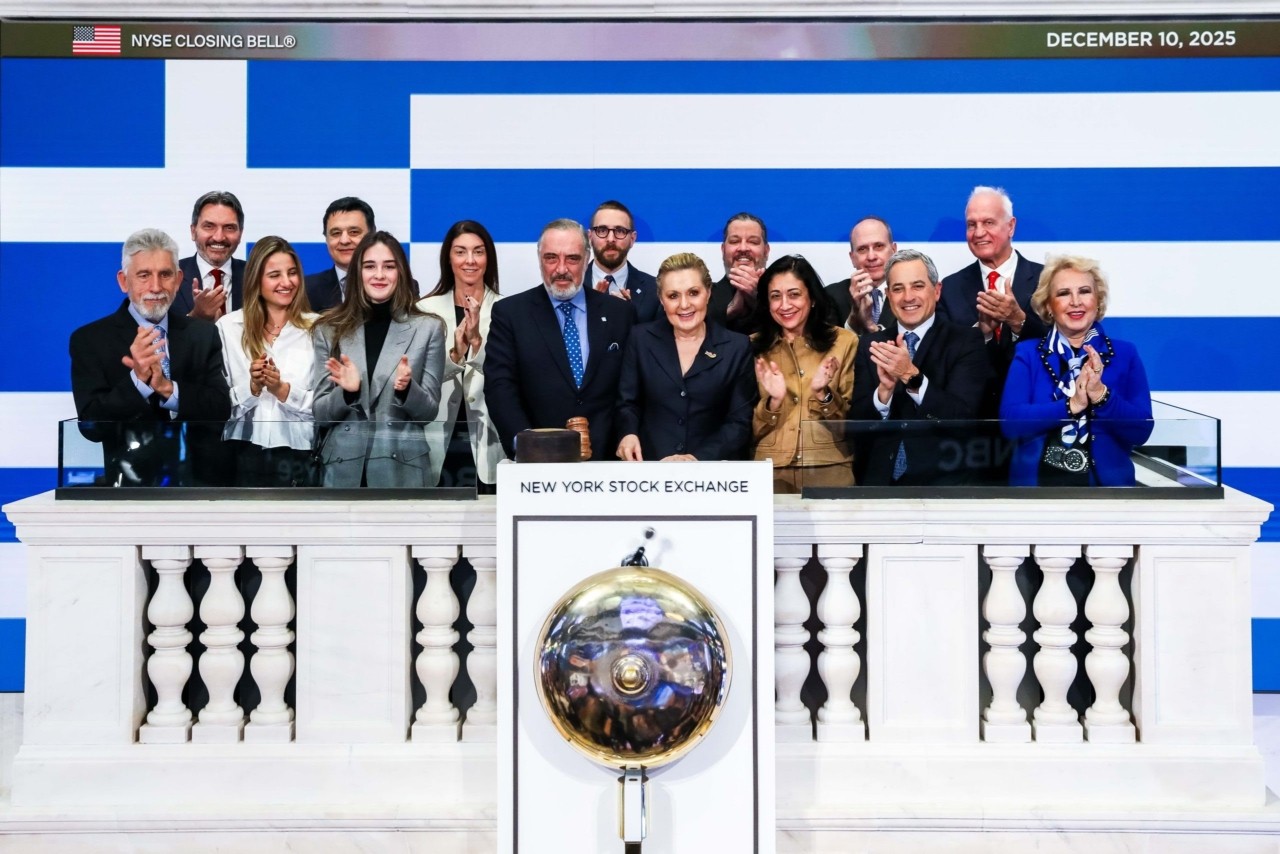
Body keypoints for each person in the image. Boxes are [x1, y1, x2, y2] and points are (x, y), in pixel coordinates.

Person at [70, 228, 231, 486]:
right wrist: (138, 382)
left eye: (165, 274)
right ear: (124, 281)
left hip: (199, 486)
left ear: (178, 280)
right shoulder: (90, 340)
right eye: (144, 275)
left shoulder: (202, 334)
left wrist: (167, 388)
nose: (156, 287)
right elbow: (92, 426)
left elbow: (220, 408)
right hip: (128, 488)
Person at [487, 219, 636, 461]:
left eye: (572, 259)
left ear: (587, 259)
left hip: (609, 461)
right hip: (537, 462)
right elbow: (500, 388)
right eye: (551, 258)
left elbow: (631, 389)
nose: (561, 268)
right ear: (539, 260)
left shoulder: (620, 313)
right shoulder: (510, 314)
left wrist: (628, 435)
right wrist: (525, 444)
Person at [1001, 256, 1153, 486]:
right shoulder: (1028, 353)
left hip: (1108, 493)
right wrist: (1070, 406)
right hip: (1036, 492)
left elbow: (1141, 431)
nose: (1075, 301)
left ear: (1098, 301)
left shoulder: (1125, 354)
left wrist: (1102, 396)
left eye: (1084, 291)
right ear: (1049, 306)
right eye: (1063, 293)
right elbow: (1010, 424)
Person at [311, 232, 446, 487]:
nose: (379, 275)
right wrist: (347, 393)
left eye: (389, 266)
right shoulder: (328, 328)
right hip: (341, 471)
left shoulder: (428, 328)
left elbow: (428, 413)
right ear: (357, 273)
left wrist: (407, 389)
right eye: (370, 266)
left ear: (401, 272)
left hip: (401, 470)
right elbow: (320, 414)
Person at [850, 249, 991, 486]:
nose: (908, 297)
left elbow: (963, 418)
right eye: (898, 289)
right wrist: (883, 395)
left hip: (944, 484)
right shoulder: (871, 345)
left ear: (937, 291)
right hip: (880, 485)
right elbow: (856, 425)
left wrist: (910, 375)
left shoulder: (966, 341)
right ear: (888, 295)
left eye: (917, 286)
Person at [616, 253, 755, 462]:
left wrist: (696, 459)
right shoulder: (640, 339)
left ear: (708, 293)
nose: (684, 305)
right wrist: (628, 433)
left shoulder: (737, 347)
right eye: (673, 296)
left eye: (693, 293)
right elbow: (627, 403)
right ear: (661, 300)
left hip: (714, 473)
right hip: (652, 469)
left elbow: (739, 421)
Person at [216, 236, 319, 487]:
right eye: (275, 275)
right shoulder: (228, 327)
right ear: (256, 280)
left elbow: (327, 404)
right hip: (241, 452)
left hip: (300, 455)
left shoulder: (318, 328)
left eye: (292, 273)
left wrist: (282, 391)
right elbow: (215, 404)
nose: (287, 282)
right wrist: (252, 388)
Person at [938, 186, 1048, 415]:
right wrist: (981, 333)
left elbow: (1061, 345)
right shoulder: (950, 288)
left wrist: (1019, 322)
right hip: (971, 421)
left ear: (1011, 226)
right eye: (971, 224)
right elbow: (942, 360)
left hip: (1034, 416)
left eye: (988, 222)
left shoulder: (1046, 280)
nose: (978, 233)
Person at [752, 255, 858, 492]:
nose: (785, 305)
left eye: (794, 294)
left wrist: (824, 395)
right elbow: (742, 429)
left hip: (829, 471)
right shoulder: (752, 348)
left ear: (812, 299)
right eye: (775, 296)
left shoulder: (844, 342)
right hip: (769, 475)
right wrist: (773, 403)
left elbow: (852, 425)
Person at [417, 220, 506, 492]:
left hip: (489, 441)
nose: (470, 260)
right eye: (460, 252)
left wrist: (477, 343)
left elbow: (510, 376)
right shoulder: (423, 311)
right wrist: (456, 355)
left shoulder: (508, 310)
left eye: (478, 251)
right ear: (448, 257)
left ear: (488, 258)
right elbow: (418, 380)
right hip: (437, 439)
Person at [175, 191, 247, 322]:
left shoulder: (256, 275)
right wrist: (196, 317)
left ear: (240, 234)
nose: (219, 237)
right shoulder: (169, 276)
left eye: (229, 228)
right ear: (193, 231)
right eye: (209, 226)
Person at [587, 200, 660, 323]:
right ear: (590, 237)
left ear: (632, 239)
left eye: (620, 231)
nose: (611, 239)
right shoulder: (572, 286)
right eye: (602, 230)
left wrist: (628, 315)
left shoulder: (655, 291)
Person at [824, 217, 897, 335]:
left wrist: (871, 327)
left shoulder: (911, 294)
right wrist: (853, 321)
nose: (871, 257)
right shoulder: (830, 297)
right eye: (862, 249)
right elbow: (825, 345)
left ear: (894, 250)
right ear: (852, 258)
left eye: (879, 246)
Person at [305, 197, 375, 312]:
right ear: (326, 239)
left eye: (354, 232)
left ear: (372, 234)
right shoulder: (306, 290)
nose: (344, 240)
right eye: (336, 233)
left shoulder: (397, 285)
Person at [707, 212, 769, 335]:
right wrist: (730, 311)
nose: (743, 248)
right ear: (723, 250)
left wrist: (760, 300)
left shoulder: (786, 296)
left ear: (766, 251)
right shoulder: (704, 297)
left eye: (753, 242)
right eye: (735, 241)